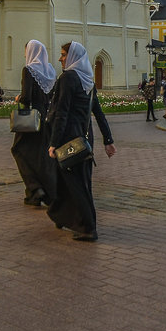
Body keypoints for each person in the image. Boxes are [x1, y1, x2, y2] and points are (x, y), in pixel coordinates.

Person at [46, 41, 115, 242]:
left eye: (63, 55)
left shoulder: (68, 78)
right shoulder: (88, 81)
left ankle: (87, 228)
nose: (60, 58)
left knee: (76, 184)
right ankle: (66, 217)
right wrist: (108, 140)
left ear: (73, 57)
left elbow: (62, 113)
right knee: (78, 182)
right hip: (85, 140)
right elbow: (99, 114)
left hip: (69, 139)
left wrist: (53, 142)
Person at [12, 40, 58, 207]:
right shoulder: (51, 71)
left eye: (26, 51)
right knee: (42, 156)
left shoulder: (29, 70)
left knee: (18, 150)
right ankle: (41, 193)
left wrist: (18, 98)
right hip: (47, 119)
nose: (25, 54)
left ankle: (34, 187)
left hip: (31, 120)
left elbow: (26, 97)